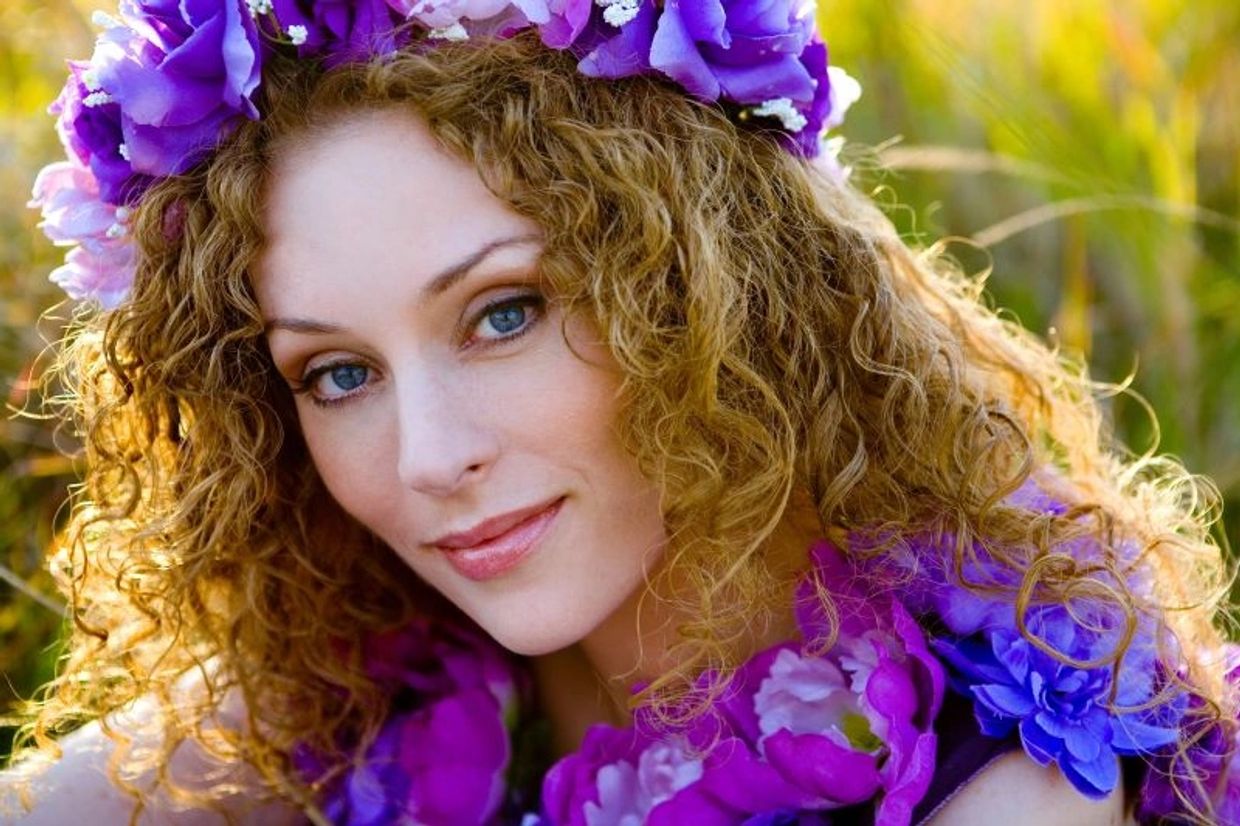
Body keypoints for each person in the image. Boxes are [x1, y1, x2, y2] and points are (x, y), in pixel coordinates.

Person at [4, 0, 1237, 823]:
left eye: (503, 314)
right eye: (337, 374)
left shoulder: (1034, 776)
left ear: (708, 288)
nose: (429, 461)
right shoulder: (375, 677)